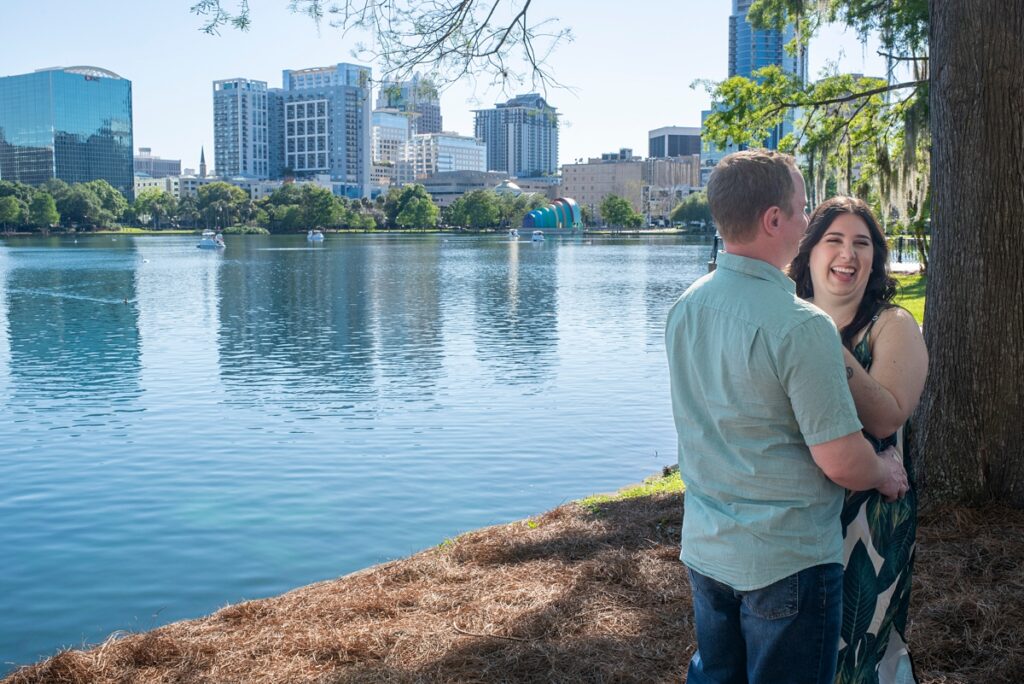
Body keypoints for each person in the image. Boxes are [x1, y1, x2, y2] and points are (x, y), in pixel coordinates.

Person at [665, 149, 909, 684]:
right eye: (801, 210)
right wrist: (884, 471)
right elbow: (842, 460)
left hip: (707, 551)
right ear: (774, 220)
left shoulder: (686, 307)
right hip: (787, 563)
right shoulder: (802, 327)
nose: (805, 222)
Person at [789, 197, 928, 683]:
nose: (848, 254)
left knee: (856, 654)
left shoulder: (893, 325)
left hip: (870, 520)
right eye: (834, 240)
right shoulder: (785, 320)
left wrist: (823, 340)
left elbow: (888, 417)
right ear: (808, 252)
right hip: (792, 518)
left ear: (875, 259)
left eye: (861, 244)